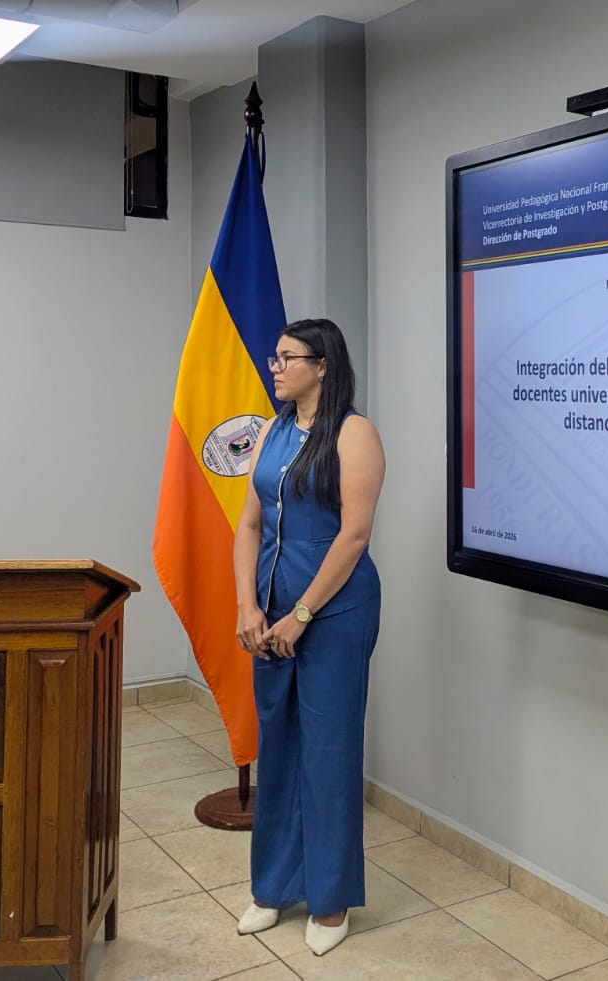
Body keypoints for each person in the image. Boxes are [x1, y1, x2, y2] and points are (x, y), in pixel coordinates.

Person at [231, 318, 385, 957]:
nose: (275, 367)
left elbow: (354, 535)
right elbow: (248, 524)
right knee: (279, 746)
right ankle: (273, 887)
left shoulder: (354, 434)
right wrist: (248, 606)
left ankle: (330, 899)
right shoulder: (270, 431)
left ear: (322, 366)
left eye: (287, 358)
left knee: (327, 751)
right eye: (275, 357)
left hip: (335, 613)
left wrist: (302, 614)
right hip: (269, 615)